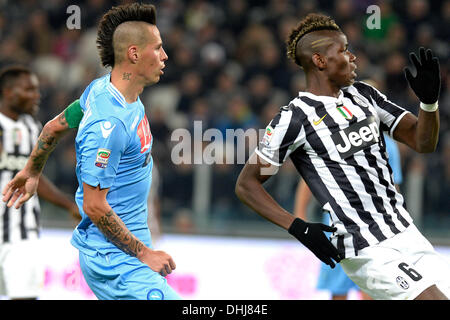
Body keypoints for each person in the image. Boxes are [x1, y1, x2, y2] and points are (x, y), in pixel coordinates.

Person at [235, 13, 449, 300]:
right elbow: (246, 184)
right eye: (344, 50)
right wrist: (297, 226)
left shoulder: (364, 95)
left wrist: (429, 102)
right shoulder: (294, 118)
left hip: (406, 231)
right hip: (365, 247)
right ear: (320, 61)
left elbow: (423, 142)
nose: (352, 57)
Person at [2, 3, 180, 300]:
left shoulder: (101, 90)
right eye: (158, 48)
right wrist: (144, 253)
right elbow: (95, 206)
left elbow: (52, 127)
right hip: (116, 260)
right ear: (134, 54)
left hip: (126, 255)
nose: (164, 56)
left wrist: (32, 170)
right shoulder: (107, 126)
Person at [0, 65, 79, 300]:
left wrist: (69, 205)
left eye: (36, 90)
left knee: (24, 296)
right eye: (29, 90)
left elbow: (33, 178)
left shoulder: (32, 127)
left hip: (22, 233)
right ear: (8, 92)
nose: (37, 95)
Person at [294, 134, 403, 300]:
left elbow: (392, 187)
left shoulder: (387, 145)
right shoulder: (337, 135)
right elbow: (312, 176)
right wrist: (300, 215)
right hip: (338, 227)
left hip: (375, 229)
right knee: (339, 291)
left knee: (372, 289)